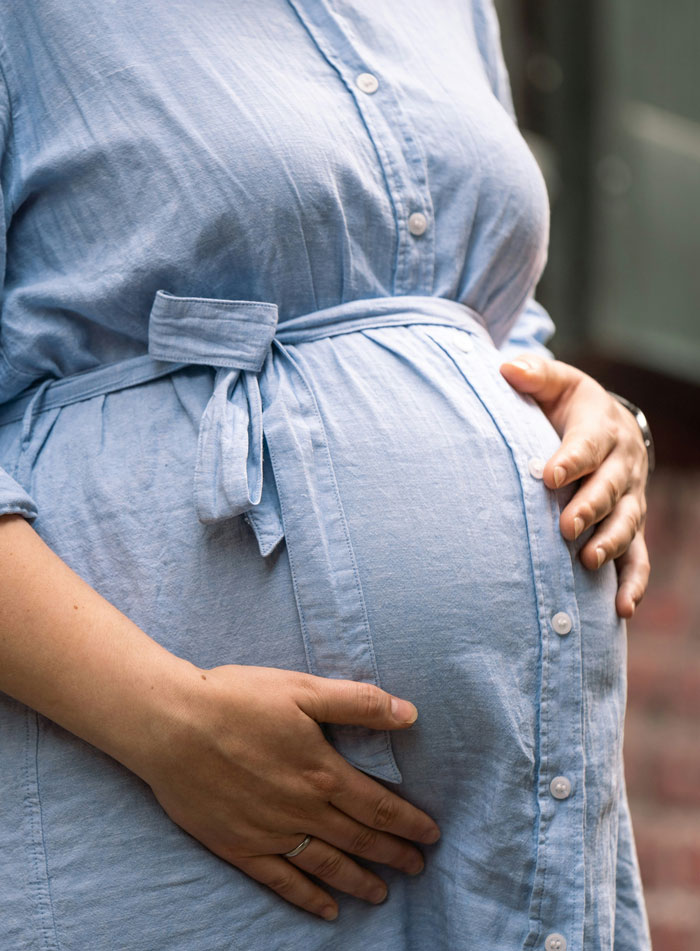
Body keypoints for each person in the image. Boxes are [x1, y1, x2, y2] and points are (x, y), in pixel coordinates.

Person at [0, 1, 651, 949]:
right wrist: (163, 722)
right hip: (171, 813)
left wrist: (592, 412)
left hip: (511, 813)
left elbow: (491, 313)